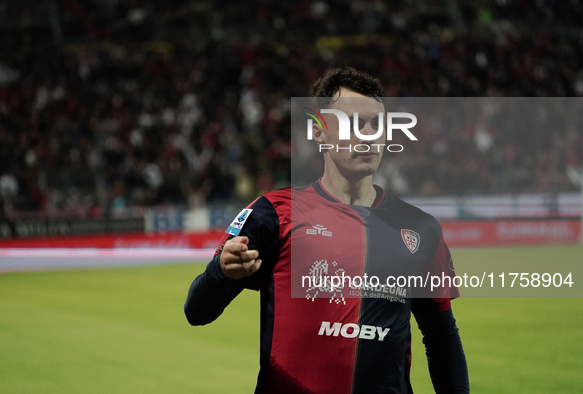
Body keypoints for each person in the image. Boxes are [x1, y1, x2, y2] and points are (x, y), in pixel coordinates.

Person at [184, 66, 469, 394]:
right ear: (319, 132)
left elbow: (441, 336)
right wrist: (221, 272)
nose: (367, 134)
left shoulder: (420, 229)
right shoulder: (272, 214)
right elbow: (197, 312)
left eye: (376, 124)